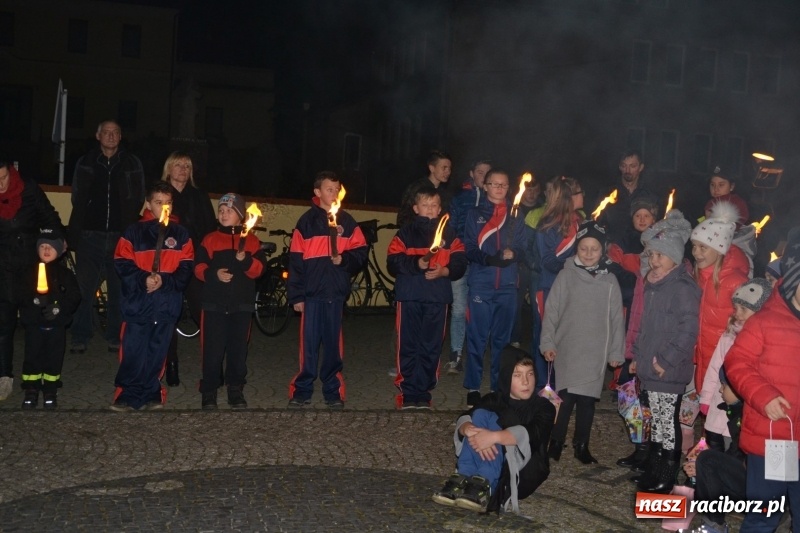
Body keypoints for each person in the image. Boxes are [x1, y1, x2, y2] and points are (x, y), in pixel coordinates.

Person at [724, 226, 800, 531]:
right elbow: (737, 363)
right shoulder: (766, 321)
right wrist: (763, 396)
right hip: (779, 438)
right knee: (766, 513)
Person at [432, 346, 555, 513]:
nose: (526, 382)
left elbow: (534, 432)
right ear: (506, 377)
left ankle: (485, 484)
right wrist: (467, 429)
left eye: (530, 374)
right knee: (480, 414)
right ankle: (464, 476)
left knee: (495, 420)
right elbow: (467, 415)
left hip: (524, 472)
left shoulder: (544, 407)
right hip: (487, 461)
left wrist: (494, 437)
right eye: (517, 375)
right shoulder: (494, 399)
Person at [540, 221, 625, 464]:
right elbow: (552, 311)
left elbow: (617, 319)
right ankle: (555, 442)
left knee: (587, 403)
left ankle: (582, 445)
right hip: (568, 348)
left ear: (603, 251)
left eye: (594, 249)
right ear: (576, 249)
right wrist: (547, 342)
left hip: (595, 351)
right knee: (564, 401)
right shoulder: (566, 275)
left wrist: (616, 350)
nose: (588, 254)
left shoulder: (610, 281)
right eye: (583, 248)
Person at [631, 209, 701, 493]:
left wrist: (666, 360)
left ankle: (667, 473)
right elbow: (645, 326)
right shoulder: (653, 286)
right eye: (651, 255)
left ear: (673, 256)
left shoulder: (683, 287)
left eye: (660, 255)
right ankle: (655, 467)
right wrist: (638, 356)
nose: (654, 260)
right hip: (651, 366)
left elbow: (688, 329)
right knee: (656, 421)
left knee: (666, 422)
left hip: (667, 369)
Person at [287, 171, 367, 409]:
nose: (333, 194)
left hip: (334, 293)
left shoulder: (348, 221)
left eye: (336, 189)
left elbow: (361, 252)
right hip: (311, 295)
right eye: (328, 189)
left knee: (333, 345)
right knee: (309, 345)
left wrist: (344, 260)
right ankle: (303, 389)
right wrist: (297, 295)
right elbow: (295, 262)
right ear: (317, 192)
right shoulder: (306, 222)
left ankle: (332, 389)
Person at [111, 181, 194, 411]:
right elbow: (121, 262)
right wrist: (143, 278)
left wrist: (165, 280)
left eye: (168, 203)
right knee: (133, 350)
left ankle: (151, 390)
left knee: (158, 351)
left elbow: (186, 268)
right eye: (159, 203)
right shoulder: (133, 232)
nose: (164, 208)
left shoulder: (181, 234)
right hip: (139, 304)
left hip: (166, 304)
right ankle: (127, 392)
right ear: (148, 203)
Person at [68, 120, 146, 355]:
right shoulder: (86, 162)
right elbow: (76, 196)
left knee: (118, 288)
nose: (111, 136)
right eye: (106, 132)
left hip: (121, 236)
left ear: (121, 136)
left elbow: (139, 196)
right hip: (89, 235)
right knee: (84, 287)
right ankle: (80, 335)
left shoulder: (132, 163)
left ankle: (115, 335)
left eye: (115, 133)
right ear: (98, 135)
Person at [387, 186, 467, 409]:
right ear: (416, 208)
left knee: (431, 346)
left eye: (434, 205)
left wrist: (445, 271)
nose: (430, 209)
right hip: (410, 297)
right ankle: (407, 392)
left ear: (440, 209)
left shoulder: (450, 235)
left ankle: (423, 392)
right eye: (425, 205)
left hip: (437, 298)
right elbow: (393, 261)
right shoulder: (405, 234)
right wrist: (417, 263)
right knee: (408, 344)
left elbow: (460, 262)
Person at [194, 193, 267, 410]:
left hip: (241, 306)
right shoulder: (210, 239)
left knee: (238, 350)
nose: (224, 214)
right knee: (212, 350)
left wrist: (246, 261)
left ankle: (235, 388)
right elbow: (198, 267)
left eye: (229, 211)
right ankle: (209, 390)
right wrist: (213, 274)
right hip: (214, 306)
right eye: (221, 211)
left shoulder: (252, 241)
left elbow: (259, 271)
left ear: (240, 216)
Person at [462, 169, 526, 407]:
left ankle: (499, 387)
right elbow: (468, 247)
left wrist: (514, 253)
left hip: (507, 286)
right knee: (477, 338)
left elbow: (523, 247)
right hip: (482, 283)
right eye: (494, 184)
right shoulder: (475, 214)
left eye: (504, 184)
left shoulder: (515, 216)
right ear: (485, 186)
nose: (499, 188)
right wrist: (488, 259)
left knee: (502, 341)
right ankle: (473, 387)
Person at [0, 159, 63, 401]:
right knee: (4, 325)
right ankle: (4, 376)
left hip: (30, 266)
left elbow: (49, 217)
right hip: (2, 267)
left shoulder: (28, 189)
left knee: (35, 324)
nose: (1, 184)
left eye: (4, 178)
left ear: (11, 172)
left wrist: (57, 244)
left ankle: (36, 378)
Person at [161, 151, 217, 386]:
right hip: (168, 263)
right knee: (167, 315)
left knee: (203, 312)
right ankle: (170, 364)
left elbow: (209, 230)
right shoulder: (161, 195)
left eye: (187, 166)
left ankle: (212, 366)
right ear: (169, 168)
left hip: (194, 263)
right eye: (178, 165)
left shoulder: (199, 196)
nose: (183, 169)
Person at [699, 278, 772, 452]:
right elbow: (714, 367)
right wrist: (706, 397)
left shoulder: (763, 341)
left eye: (744, 309)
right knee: (715, 448)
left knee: (734, 450)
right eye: (736, 308)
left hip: (740, 411)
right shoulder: (728, 336)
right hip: (719, 405)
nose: (737, 314)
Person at [16, 226, 80, 409]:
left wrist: (58, 309)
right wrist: (34, 301)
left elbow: (74, 297)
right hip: (34, 325)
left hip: (56, 327)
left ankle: (50, 389)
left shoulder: (65, 275)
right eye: (43, 246)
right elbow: (20, 295)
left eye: (51, 247)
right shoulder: (29, 273)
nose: (46, 250)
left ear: (60, 251)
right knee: (32, 358)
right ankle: (31, 389)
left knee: (53, 358)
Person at [691, 201, 750, 397]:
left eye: (703, 247)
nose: (696, 253)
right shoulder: (698, 277)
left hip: (724, 361)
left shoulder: (735, 282)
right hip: (702, 355)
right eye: (694, 246)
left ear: (719, 249)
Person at [533, 176, 585, 391]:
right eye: (579, 192)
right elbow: (548, 261)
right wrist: (576, 264)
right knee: (548, 338)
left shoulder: (580, 222)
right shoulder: (548, 226)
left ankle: (563, 385)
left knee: (567, 339)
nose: (583, 196)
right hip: (549, 289)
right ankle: (545, 389)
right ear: (569, 197)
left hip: (573, 291)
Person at [444, 157, 491, 374]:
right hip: (461, 257)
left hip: (482, 261)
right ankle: (456, 355)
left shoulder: (495, 201)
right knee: (459, 308)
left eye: (487, 173)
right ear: (472, 174)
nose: (484, 177)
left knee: (480, 308)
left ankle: (476, 354)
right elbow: (450, 226)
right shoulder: (461, 198)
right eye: (480, 172)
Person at [510, 176, 544, 348]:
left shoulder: (543, 209)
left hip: (536, 264)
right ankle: (514, 338)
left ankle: (536, 340)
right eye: (527, 189)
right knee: (515, 301)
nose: (530, 193)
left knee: (536, 303)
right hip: (517, 263)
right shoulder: (514, 207)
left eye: (534, 189)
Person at [596, 149, 657, 246]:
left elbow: (656, 227)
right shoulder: (607, 193)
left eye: (632, 166)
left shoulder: (649, 195)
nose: (627, 171)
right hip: (613, 252)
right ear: (620, 167)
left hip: (641, 252)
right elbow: (597, 223)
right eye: (624, 166)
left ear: (641, 167)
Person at [396, 150, 452, 228]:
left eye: (449, 169)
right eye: (444, 168)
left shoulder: (445, 192)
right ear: (432, 168)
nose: (448, 172)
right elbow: (403, 217)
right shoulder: (416, 188)